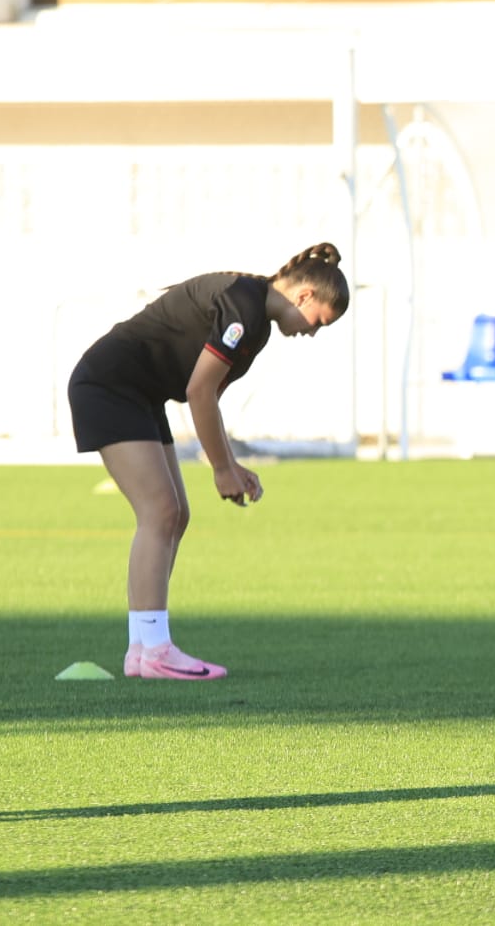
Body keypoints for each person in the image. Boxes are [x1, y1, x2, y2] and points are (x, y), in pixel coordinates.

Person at [67, 243, 350, 680]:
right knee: (159, 512)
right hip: (108, 385)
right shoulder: (246, 308)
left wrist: (232, 466)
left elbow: (208, 397)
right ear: (305, 296)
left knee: (175, 514)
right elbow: (199, 392)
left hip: (139, 394)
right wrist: (221, 469)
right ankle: (155, 650)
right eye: (317, 323)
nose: (312, 332)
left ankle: (142, 650)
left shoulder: (256, 320)